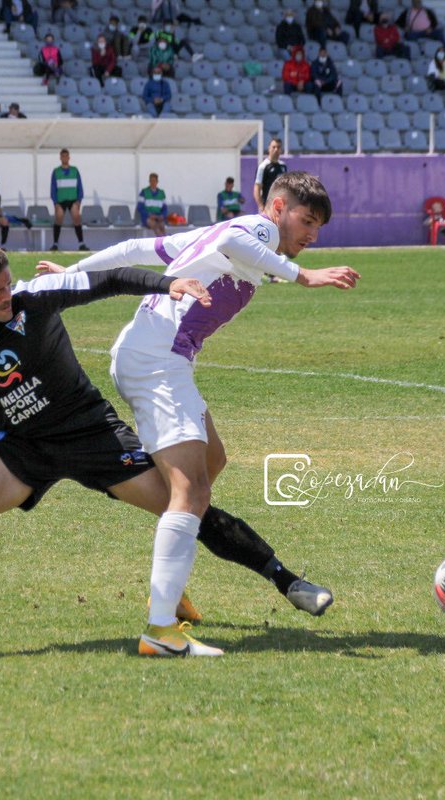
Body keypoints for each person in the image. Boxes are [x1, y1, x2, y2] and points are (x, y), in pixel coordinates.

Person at [0, 239, 331, 661]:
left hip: (91, 432)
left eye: (7, 285)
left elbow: (112, 279)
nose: (6, 297)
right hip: (22, 448)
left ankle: (287, 581)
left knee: (185, 504)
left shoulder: (32, 298)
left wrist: (170, 285)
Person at [35, 172, 357, 657]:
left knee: (211, 466)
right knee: (192, 491)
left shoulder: (218, 237)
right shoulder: (255, 231)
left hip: (158, 358)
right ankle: (160, 630)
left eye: (318, 227)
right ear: (277, 208)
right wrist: (303, 275)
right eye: (306, 220)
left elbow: (133, 249)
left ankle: (171, 579)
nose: (311, 234)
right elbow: (233, 239)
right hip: (156, 361)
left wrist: (70, 275)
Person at [49, 148, 87, 251]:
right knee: (59, 217)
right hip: (61, 201)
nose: (65, 158)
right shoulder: (56, 171)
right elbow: (53, 188)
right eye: (63, 156)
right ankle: (55, 244)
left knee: (76, 217)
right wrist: (55, 202)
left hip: (73, 200)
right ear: (60, 158)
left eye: (66, 156)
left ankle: (81, 243)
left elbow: (80, 186)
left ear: (69, 157)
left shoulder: (75, 170)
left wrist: (79, 201)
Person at [253, 137, 287, 209]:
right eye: (273, 147)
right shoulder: (263, 166)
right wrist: (261, 206)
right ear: (269, 148)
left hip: (280, 204)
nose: (276, 149)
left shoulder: (283, 166)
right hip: (268, 205)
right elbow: (257, 188)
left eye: (278, 147)